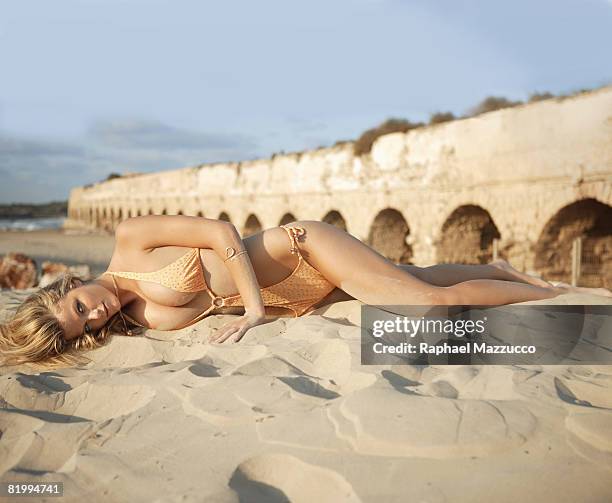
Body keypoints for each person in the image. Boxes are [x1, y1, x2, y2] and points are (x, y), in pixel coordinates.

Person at [1, 215, 609, 368]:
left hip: (301, 249)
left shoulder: (130, 241)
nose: (97, 312)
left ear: (70, 282)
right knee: (420, 281)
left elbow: (219, 232)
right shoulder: (127, 321)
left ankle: (551, 299)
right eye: (88, 324)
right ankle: (513, 273)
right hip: (302, 298)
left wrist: (258, 306)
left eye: (81, 305)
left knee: (427, 305)